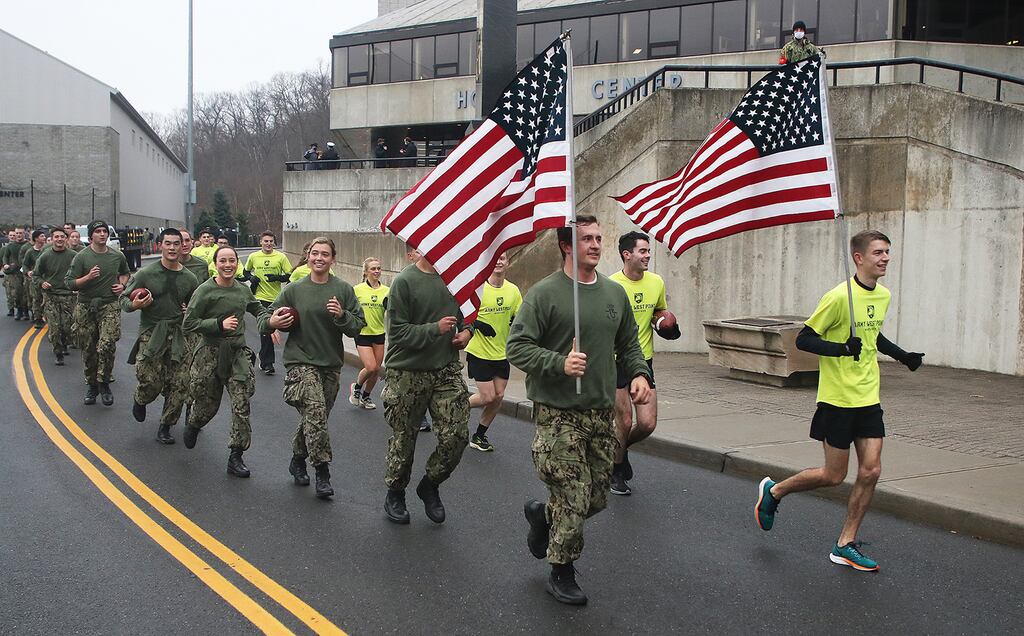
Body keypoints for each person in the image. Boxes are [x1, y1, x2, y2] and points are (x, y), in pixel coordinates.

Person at [755, 230, 925, 573]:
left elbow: (871, 334)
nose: (886, 258)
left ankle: (845, 543)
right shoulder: (837, 297)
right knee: (834, 476)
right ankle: (774, 492)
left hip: (867, 396)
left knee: (871, 470)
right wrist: (840, 349)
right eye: (878, 252)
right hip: (837, 399)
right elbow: (803, 339)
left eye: (888, 252)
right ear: (859, 257)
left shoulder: (883, 295)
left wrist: (903, 356)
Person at [506, 215, 651, 605]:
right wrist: (559, 363)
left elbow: (630, 344)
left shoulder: (613, 294)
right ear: (567, 246)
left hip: (600, 412)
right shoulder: (544, 294)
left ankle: (543, 517)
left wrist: (639, 375)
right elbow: (516, 347)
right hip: (557, 412)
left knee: (596, 497)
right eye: (586, 238)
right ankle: (561, 570)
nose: (595, 244)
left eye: (598, 237)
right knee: (573, 493)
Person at [259, 237, 365, 499]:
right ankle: (322, 471)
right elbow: (266, 318)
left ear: (333, 259)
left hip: (329, 364)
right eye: (314, 253)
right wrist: (272, 321)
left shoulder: (343, 289)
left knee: (315, 419)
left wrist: (342, 315)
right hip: (300, 362)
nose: (319, 258)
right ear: (307, 256)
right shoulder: (294, 289)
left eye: (325, 254)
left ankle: (297, 457)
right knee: (315, 412)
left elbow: (357, 325)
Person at [381, 247, 472, 525]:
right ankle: (395, 492)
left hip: (445, 369)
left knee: (456, 436)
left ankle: (430, 483)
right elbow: (396, 333)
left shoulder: (456, 279)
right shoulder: (405, 282)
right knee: (404, 437)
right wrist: (434, 329)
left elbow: (469, 314)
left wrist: (467, 332)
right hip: (408, 370)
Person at [183, 245, 269, 477]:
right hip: (209, 351)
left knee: (241, 404)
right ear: (215, 264)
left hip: (236, 353)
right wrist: (217, 325)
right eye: (223, 261)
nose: (228, 265)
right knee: (207, 406)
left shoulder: (242, 290)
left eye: (232, 260)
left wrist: (269, 322)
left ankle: (236, 456)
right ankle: (194, 422)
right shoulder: (204, 291)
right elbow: (188, 324)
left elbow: (258, 309)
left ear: (237, 264)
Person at [607, 231, 677, 495]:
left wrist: (666, 325)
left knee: (647, 425)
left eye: (648, 251)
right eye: (643, 251)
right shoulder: (611, 285)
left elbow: (659, 311)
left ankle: (618, 451)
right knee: (623, 422)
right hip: (614, 361)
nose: (648, 256)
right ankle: (615, 471)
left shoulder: (656, 282)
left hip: (643, 361)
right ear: (627, 254)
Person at [121, 228, 200, 444]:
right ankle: (141, 397)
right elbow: (124, 300)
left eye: (177, 243)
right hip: (152, 332)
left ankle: (166, 426)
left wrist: (189, 312)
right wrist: (134, 304)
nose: (173, 247)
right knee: (150, 380)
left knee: (180, 383)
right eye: (168, 243)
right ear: (161, 245)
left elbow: (196, 306)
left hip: (178, 334)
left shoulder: (190, 278)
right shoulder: (146, 274)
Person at [65, 220, 130, 406]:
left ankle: (104, 382)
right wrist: (87, 277)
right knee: (89, 348)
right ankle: (92, 385)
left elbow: (125, 273)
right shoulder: (82, 257)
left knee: (107, 344)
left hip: (109, 305)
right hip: (86, 306)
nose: (102, 234)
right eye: (98, 231)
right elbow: (69, 283)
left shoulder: (117, 256)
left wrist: (122, 285)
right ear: (91, 235)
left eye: (104, 231)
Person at [465, 253, 521, 452]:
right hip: (479, 351)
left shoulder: (513, 290)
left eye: (503, 258)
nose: (499, 261)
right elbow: (463, 314)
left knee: (498, 396)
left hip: (501, 352)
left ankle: (479, 435)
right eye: (495, 258)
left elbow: (519, 316)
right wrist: (478, 324)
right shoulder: (478, 288)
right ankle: (458, 407)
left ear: (508, 263)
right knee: (487, 397)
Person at [243, 231, 293, 375]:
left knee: (271, 331)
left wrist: (278, 277)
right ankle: (268, 363)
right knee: (266, 331)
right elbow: (245, 273)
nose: (269, 244)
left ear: (274, 243)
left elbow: (290, 275)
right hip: (260, 297)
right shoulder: (254, 256)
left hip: (276, 298)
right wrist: (251, 278)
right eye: (266, 241)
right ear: (261, 242)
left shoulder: (280, 257)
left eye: (271, 241)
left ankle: (263, 355)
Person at [350, 257, 389, 410]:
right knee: (371, 367)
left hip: (379, 333)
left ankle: (366, 396)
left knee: (376, 371)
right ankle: (357, 387)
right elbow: (350, 309)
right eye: (373, 269)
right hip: (362, 333)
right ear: (366, 272)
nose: (377, 271)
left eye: (379, 268)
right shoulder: (357, 289)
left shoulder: (387, 290)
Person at [35, 228, 76, 365]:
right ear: (52, 239)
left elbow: (82, 273)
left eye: (62, 237)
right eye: (56, 237)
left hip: (68, 296)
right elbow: (36, 275)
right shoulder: (45, 256)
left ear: (66, 239)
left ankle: (64, 343)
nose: (59, 239)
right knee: (54, 327)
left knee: (67, 326)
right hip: (51, 296)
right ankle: (58, 352)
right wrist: (42, 283)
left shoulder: (74, 256)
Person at [21, 229, 48, 327]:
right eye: (41, 236)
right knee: (36, 298)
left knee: (47, 299)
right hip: (35, 280)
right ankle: (37, 318)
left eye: (44, 236)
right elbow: (25, 264)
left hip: (46, 278)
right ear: (36, 239)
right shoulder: (30, 251)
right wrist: (28, 271)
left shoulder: (47, 249)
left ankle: (48, 317)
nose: (44, 238)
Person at [2, 227, 29, 320]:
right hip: (15, 273)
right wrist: (5, 264)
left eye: (20, 233)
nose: (18, 235)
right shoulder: (10, 246)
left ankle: (26, 312)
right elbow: (5, 256)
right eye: (17, 233)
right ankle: (19, 311)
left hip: (26, 272)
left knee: (26, 293)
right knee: (17, 293)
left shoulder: (28, 245)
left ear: (24, 233)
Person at [2, 230, 14, 317]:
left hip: (18, 273)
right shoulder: (4, 249)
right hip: (8, 273)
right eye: (11, 235)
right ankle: (11, 308)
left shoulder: (20, 247)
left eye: (14, 235)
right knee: (9, 292)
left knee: (20, 293)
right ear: (8, 237)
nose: (13, 237)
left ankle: (23, 309)